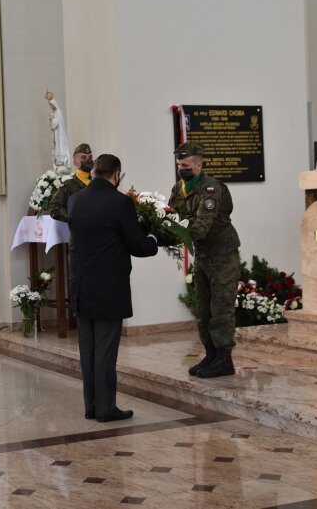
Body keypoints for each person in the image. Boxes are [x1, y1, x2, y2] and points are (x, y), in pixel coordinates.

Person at [68, 154, 158, 422]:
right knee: (106, 351)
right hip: (108, 287)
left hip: (81, 287)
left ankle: (92, 406)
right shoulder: (119, 203)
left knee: (89, 351)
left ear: (95, 171)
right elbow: (137, 246)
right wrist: (153, 236)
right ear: (116, 174)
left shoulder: (75, 200)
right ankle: (106, 409)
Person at [168, 142, 240, 379]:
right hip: (203, 256)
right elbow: (172, 216)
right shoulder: (179, 189)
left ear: (199, 164)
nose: (182, 169)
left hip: (222, 256)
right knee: (204, 308)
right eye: (179, 164)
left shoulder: (211, 189)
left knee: (221, 308)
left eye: (186, 165)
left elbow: (201, 226)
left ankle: (224, 358)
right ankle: (211, 354)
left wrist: (172, 236)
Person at [48, 143, 94, 222]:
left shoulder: (97, 182)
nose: (88, 159)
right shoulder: (68, 185)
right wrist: (74, 218)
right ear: (75, 162)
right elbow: (54, 208)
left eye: (90, 157)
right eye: (83, 157)